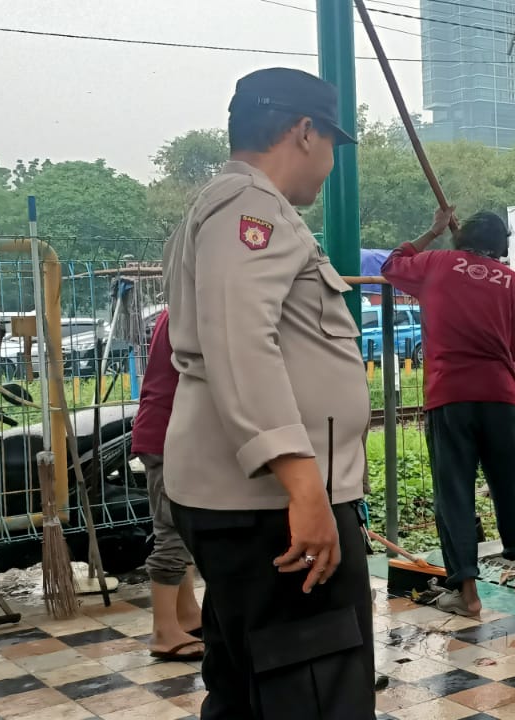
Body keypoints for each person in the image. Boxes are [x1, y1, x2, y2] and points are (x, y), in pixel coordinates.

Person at [161, 67, 375, 719]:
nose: (332, 163)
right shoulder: (248, 209)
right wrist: (305, 486)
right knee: (313, 689)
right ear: (304, 132)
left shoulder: (232, 206)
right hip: (274, 503)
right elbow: (240, 342)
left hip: (258, 497)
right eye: (333, 144)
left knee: (251, 686)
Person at [380, 207, 515, 616]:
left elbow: (391, 265)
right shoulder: (511, 281)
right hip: (500, 395)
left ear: (459, 236)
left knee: (454, 491)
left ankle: (468, 594)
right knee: (510, 484)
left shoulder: (435, 264)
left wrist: (430, 232)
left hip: (449, 394)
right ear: (500, 246)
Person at [129, 309, 204, 662]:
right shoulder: (190, 316)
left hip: (164, 431)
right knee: (171, 530)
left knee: (179, 526)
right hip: (168, 437)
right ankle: (163, 631)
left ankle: (186, 615)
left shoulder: (174, 312)